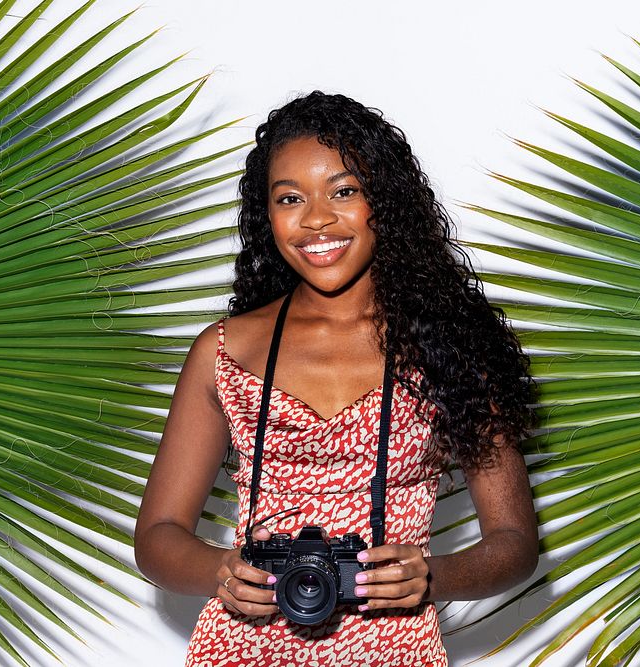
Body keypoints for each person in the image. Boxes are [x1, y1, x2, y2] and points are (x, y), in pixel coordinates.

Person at [134, 91, 538, 667]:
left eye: (343, 191)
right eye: (290, 198)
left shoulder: (448, 348)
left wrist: (431, 575)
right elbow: (157, 535)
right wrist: (220, 570)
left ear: (385, 202)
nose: (317, 218)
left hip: (395, 648)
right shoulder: (223, 351)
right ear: (265, 214)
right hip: (241, 649)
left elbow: (515, 544)